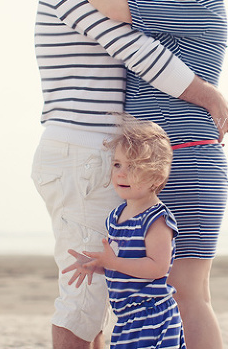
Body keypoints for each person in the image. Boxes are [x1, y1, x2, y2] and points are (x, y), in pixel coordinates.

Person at [33, 0, 228, 349]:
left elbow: (125, 22)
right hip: (128, 162)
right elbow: (126, 30)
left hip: (181, 158)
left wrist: (207, 95)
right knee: (105, 292)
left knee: (177, 291)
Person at [63, 115, 185, 349]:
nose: (121, 173)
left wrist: (114, 262)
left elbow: (157, 267)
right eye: (117, 164)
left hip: (152, 317)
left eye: (134, 167)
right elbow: (119, 263)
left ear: (157, 176)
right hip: (127, 319)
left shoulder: (156, 219)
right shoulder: (115, 217)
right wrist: (97, 264)